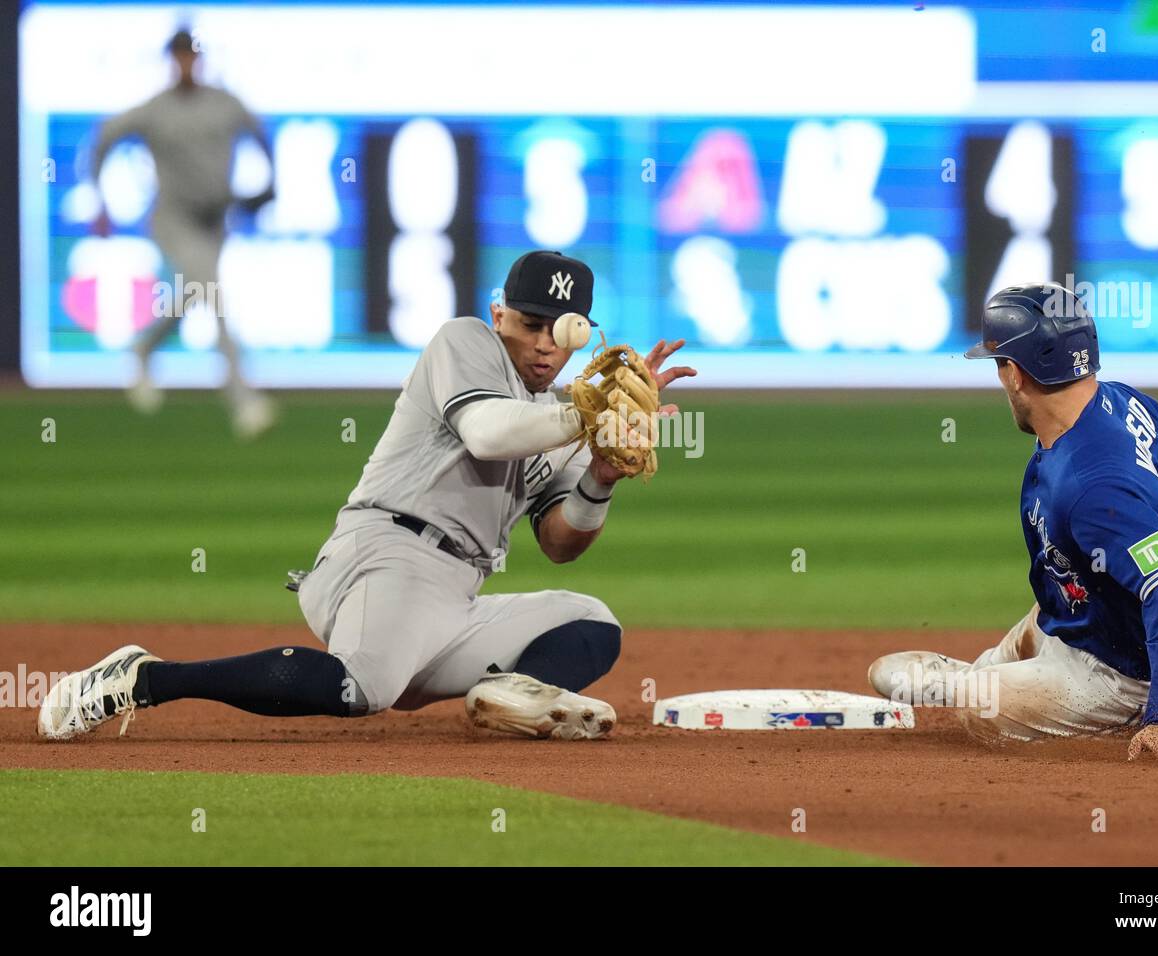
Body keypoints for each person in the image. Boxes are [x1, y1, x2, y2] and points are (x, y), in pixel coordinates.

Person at [38, 250, 696, 742]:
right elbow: (489, 432)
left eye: (561, 330)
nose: (545, 343)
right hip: (383, 554)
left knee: (592, 624)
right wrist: (584, 418)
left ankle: (504, 692)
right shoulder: (466, 342)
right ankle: (142, 680)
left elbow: (560, 543)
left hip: (452, 598)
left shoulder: (563, 418)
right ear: (501, 315)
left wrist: (599, 480)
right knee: (362, 691)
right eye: (530, 323)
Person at [868, 283, 1158, 762]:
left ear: (1016, 374)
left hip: (1133, 670)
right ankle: (1002, 674)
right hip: (1126, 612)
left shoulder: (1092, 485)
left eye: (999, 363)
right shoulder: (1125, 401)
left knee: (976, 710)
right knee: (975, 662)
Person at [91, 28, 276, 438]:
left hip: (216, 219)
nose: (185, 63)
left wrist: (268, 183)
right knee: (211, 291)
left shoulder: (224, 104)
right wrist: (99, 201)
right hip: (174, 218)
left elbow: (261, 134)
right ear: (170, 61)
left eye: (190, 55)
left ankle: (144, 348)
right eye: (178, 56)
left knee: (196, 292)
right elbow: (104, 136)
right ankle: (243, 400)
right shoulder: (155, 110)